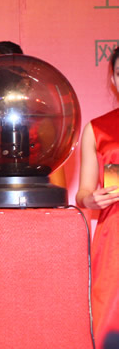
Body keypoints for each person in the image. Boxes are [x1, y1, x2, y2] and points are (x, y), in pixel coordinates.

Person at [76, 45, 119, 345]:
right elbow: (83, 193)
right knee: (110, 322)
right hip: (114, 236)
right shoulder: (97, 128)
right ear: (114, 80)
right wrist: (91, 200)